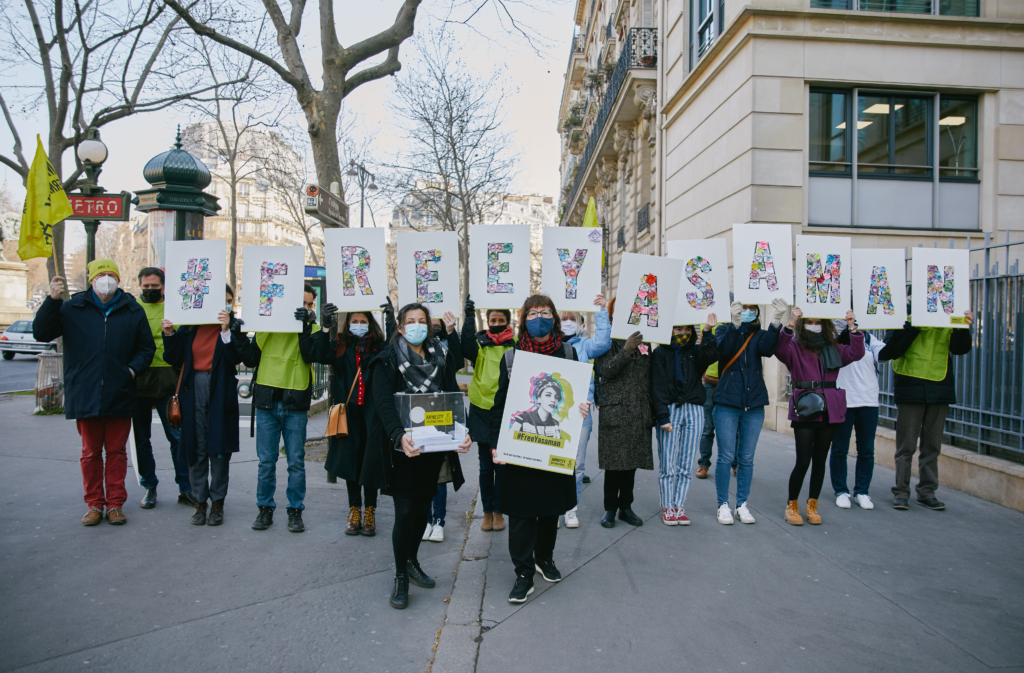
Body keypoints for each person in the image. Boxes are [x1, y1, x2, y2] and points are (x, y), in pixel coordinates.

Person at [361, 302, 470, 610]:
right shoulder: (386, 361)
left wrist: (463, 433)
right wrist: (399, 435)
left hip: (432, 448)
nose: (417, 326)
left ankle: (412, 561)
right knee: (405, 513)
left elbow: (453, 397)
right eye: (411, 321)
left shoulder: (441, 357)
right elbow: (383, 404)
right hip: (403, 450)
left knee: (423, 509)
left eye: (422, 321)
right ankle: (400, 576)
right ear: (400, 327)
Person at [33, 260, 155, 526]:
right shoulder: (72, 308)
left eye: (112, 274)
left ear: (119, 279)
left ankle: (115, 505)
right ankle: (94, 504)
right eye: (102, 274)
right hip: (85, 391)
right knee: (90, 453)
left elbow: (146, 349)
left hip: (120, 392)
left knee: (116, 452)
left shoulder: (132, 309)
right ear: (92, 280)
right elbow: (42, 332)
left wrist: (130, 372)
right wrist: (52, 300)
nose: (107, 279)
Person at [490, 295, 591, 604]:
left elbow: (574, 401)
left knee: (550, 509)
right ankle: (523, 573)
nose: (539, 317)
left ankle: (543, 558)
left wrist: (582, 409)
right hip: (520, 447)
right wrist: (496, 445)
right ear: (524, 319)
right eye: (533, 313)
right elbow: (500, 405)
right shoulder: (512, 357)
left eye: (545, 312)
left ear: (554, 318)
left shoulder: (569, 353)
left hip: (554, 445)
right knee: (521, 513)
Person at [241, 283, 328, 533]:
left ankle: (295, 511)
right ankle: (264, 509)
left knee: (296, 462)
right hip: (267, 402)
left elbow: (311, 355)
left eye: (310, 304)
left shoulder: (310, 328)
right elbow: (250, 358)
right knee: (266, 462)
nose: (307, 308)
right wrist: (237, 333)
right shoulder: (268, 324)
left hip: (295, 403)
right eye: (303, 303)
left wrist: (304, 326)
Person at [161, 285, 249, 526]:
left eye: (230, 301)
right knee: (195, 447)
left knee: (219, 449)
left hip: (220, 390)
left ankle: (218, 502)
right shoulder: (190, 325)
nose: (226, 305)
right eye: (223, 300)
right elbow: (173, 357)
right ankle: (200, 501)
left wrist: (225, 331)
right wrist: (168, 334)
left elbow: (236, 359)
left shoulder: (233, 326)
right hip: (193, 390)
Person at [878, 297, 974, 511]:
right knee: (906, 446)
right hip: (911, 386)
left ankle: (927, 492)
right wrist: (913, 325)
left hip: (939, 388)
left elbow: (960, 349)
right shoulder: (903, 316)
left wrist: (963, 328)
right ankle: (901, 492)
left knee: (932, 446)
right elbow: (891, 351)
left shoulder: (950, 314)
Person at [774, 307, 864, 526]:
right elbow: (780, 350)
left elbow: (856, 352)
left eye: (818, 321)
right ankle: (792, 505)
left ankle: (812, 504)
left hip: (830, 407)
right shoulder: (795, 346)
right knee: (803, 460)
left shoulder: (833, 347)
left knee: (820, 460)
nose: (814, 325)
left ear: (825, 325)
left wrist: (852, 326)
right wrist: (791, 322)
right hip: (806, 406)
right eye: (809, 321)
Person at [317, 302, 394, 538]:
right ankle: (354, 509)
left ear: (370, 324)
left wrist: (390, 321)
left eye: (363, 321)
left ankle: (370, 510)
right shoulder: (341, 346)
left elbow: (395, 349)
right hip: (348, 415)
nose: (358, 326)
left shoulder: (379, 347)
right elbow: (319, 354)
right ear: (348, 323)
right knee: (352, 463)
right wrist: (324, 326)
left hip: (373, 414)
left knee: (370, 463)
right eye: (354, 321)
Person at [712, 299, 786, 525]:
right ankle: (722, 504)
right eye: (742, 308)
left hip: (753, 404)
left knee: (746, 458)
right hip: (727, 403)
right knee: (725, 457)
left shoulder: (760, 334)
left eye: (751, 309)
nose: (746, 312)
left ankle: (742, 504)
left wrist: (775, 323)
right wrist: (734, 325)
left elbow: (767, 350)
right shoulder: (724, 329)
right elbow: (724, 351)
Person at [132, 267, 194, 508]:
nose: (149, 290)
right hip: (138, 381)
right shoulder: (133, 309)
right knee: (140, 440)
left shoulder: (176, 308)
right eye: (145, 286)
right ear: (140, 285)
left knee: (177, 437)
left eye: (154, 286)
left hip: (169, 381)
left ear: (163, 286)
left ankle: (185, 487)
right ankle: (149, 486)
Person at [651, 317, 719, 525]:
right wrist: (662, 416)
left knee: (685, 463)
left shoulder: (694, 351)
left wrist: (707, 331)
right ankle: (667, 506)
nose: (682, 333)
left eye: (686, 329)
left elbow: (711, 354)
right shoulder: (660, 353)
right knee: (668, 463)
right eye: (677, 328)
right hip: (670, 410)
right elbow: (657, 386)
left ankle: (679, 506)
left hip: (694, 410)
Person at [594, 296, 655, 529]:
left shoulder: (645, 339)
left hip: (638, 409)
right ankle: (610, 509)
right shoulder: (606, 340)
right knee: (614, 465)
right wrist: (625, 351)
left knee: (631, 463)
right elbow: (606, 371)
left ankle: (625, 507)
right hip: (616, 410)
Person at [461, 295, 516, 532]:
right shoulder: (479, 343)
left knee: (502, 466)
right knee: (485, 466)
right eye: (492, 319)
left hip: (506, 411)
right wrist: (468, 318)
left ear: (507, 321)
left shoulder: (515, 345)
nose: (495, 323)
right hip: (482, 411)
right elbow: (465, 347)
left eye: (500, 319)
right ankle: (486, 512)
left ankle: (499, 511)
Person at [558, 295, 611, 528]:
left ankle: (571, 507)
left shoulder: (585, 345)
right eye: (564, 318)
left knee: (576, 464)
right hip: (553, 413)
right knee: (552, 463)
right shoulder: (549, 344)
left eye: (573, 318)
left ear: (581, 324)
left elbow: (603, 342)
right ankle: (552, 506)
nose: (568, 321)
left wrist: (600, 310)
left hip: (580, 414)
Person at [830, 322, 886, 510]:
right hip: (843, 399)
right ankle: (841, 490)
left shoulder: (869, 339)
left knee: (866, 450)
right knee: (839, 448)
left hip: (868, 401)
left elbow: (885, 355)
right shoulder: (834, 338)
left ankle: (862, 491)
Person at [422, 312, 463, 544]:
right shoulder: (416, 349)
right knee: (422, 471)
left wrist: (450, 331)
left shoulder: (446, 350)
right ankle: (425, 519)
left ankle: (439, 520)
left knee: (440, 471)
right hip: (418, 415)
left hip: (442, 413)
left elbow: (458, 360)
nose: (435, 329)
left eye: (439, 326)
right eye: (433, 326)